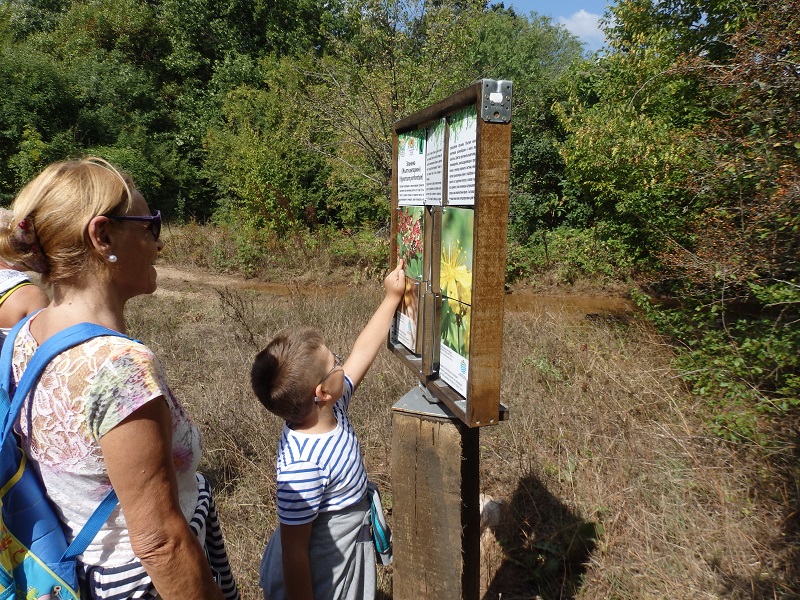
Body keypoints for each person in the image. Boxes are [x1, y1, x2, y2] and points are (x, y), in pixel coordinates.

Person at [0, 157, 238, 600]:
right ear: (102, 235)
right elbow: (159, 542)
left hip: (78, 568)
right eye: (150, 226)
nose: (158, 244)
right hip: (143, 583)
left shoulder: (23, 336)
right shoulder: (117, 366)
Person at [251, 260, 405, 600]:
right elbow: (294, 552)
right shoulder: (303, 466)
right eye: (335, 362)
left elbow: (363, 351)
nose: (341, 360)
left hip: (347, 542)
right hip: (325, 568)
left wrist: (391, 298)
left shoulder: (330, 405)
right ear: (321, 391)